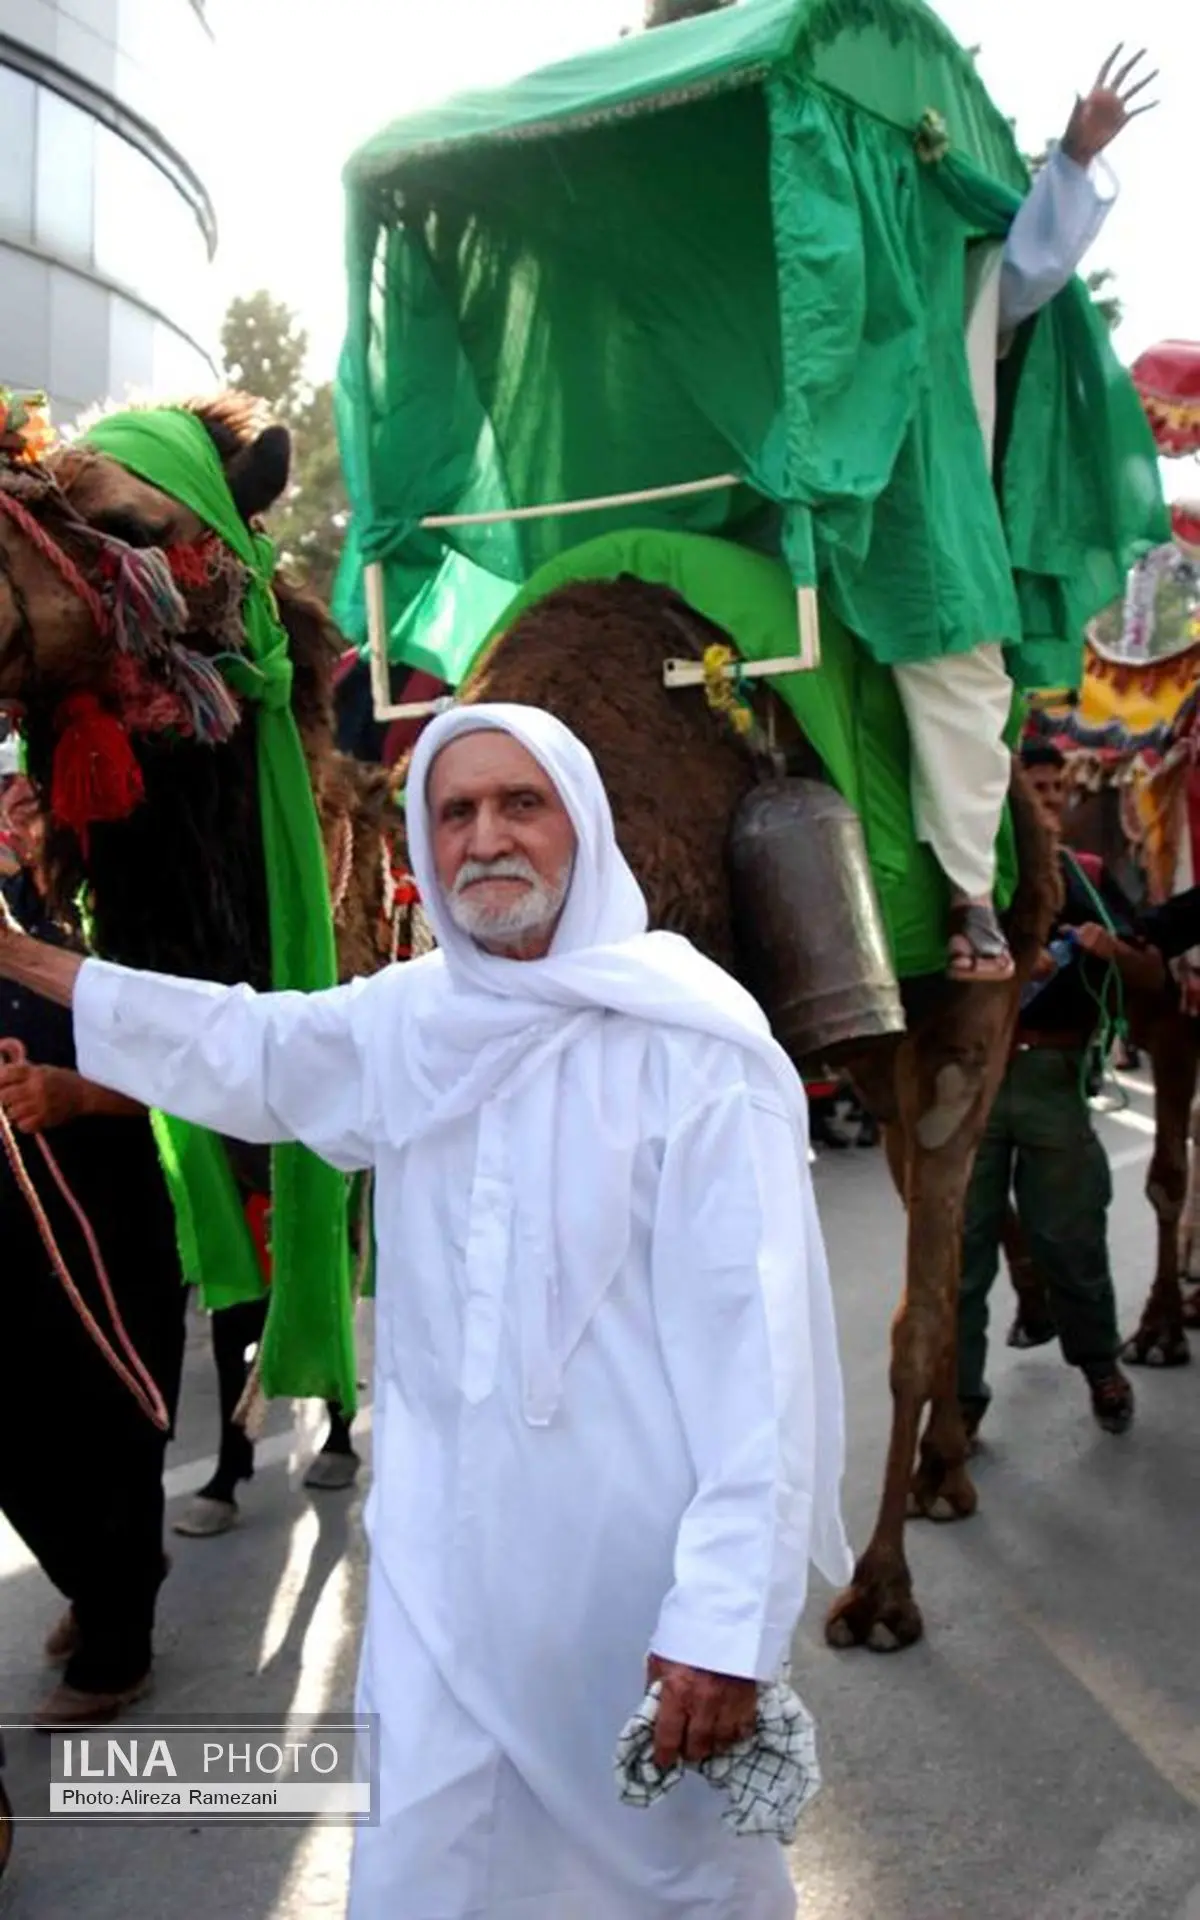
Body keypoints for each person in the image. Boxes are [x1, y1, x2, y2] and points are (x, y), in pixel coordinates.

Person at [0, 704, 851, 1920]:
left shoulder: (694, 1046)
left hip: (626, 1598)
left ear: (583, 827)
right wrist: (23, 957)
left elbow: (756, 1366)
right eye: (456, 812)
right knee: (423, 1876)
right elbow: (241, 1042)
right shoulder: (410, 1020)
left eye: (521, 805)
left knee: (668, 1886)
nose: (487, 838)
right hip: (439, 1585)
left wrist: (724, 1624)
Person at [899, 47, 1158, 982]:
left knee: (957, 669)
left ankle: (970, 896)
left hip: (911, 520)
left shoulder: (957, 283)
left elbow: (1030, 267)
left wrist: (1075, 161)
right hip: (763, 499)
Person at [0, 778, 187, 1726]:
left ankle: (120, 1641)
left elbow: (195, 1064)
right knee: (19, 1440)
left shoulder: (114, 905)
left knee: (110, 1419)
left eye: (30, 800)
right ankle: (101, 1573)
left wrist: (72, 1096)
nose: (17, 820)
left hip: (104, 1220)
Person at [956, 742, 1164, 1441]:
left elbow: (1151, 973)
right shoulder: (971, 881)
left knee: (1071, 1237)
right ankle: (957, 1406)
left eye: (1052, 786)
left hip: (1053, 1082)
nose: (1043, 797)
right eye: (1030, 786)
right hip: (974, 1084)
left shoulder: (1090, 876)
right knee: (960, 1254)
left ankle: (1100, 1366)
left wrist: (1112, 951)